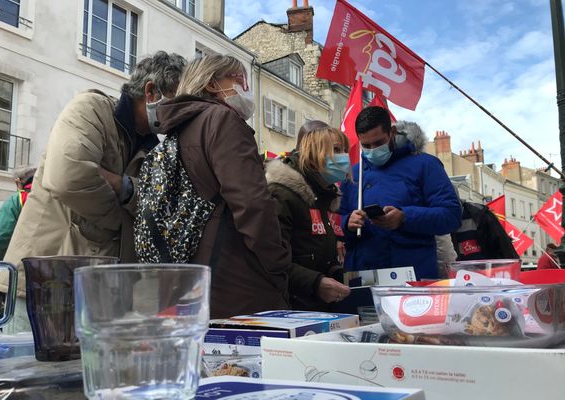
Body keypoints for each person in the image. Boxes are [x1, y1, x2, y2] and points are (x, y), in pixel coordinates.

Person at [0, 51, 187, 332]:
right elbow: (69, 177)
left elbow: (158, 208)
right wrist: (126, 215)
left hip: (98, 298)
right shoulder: (92, 108)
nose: (181, 115)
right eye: (178, 103)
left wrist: (121, 185)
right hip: (41, 288)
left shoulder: (155, 148)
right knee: (31, 373)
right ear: (150, 91)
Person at [139, 54, 291, 318]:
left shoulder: (181, 128)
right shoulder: (222, 120)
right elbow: (252, 203)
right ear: (212, 84)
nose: (246, 88)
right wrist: (278, 263)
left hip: (194, 273)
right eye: (239, 79)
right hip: (236, 275)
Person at [340, 108, 462, 279]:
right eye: (366, 146)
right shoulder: (353, 174)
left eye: (378, 143)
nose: (372, 150)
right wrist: (347, 222)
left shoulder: (426, 165)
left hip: (412, 277)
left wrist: (405, 217)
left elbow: (452, 216)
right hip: (362, 275)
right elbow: (336, 220)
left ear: (392, 132)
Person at [266, 126, 351, 310]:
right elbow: (270, 258)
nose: (344, 156)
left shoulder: (324, 196)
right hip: (290, 308)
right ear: (313, 152)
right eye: (336, 150)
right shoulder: (282, 194)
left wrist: (335, 273)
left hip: (315, 306)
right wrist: (316, 283)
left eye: (345, 150)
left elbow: (314, 251)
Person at [0, 165, 36, 260]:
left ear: (18, 182)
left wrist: (7, 258)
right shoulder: (57, 197)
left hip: (25, 264)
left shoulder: (18, 199)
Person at [451, 200, 518, 261]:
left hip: (487, 270)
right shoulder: (480, 212)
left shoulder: (481, 214)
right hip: (460, 271)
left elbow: (504, 246)